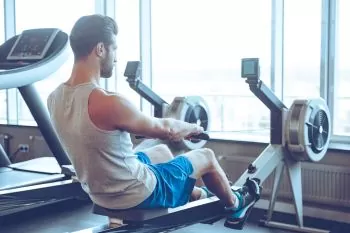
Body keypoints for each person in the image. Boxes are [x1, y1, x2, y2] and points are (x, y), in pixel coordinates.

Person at [47, 14, 261, 228]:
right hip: (136, 193)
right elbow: (166, 129)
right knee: (206, 157)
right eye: (115, 49)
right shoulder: (107, 102)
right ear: (100, 49)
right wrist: (192, 127)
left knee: (162, 153)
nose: (116, 58)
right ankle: (236, 205)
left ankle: (197, 194)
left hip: (98, 191)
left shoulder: (54, 98)